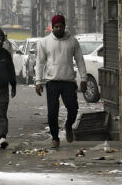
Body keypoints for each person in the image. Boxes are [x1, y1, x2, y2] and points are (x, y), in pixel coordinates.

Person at [35, 14, 87, 148]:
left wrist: (84, 78)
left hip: (68, 81)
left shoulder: (73, 41)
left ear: (65, 27)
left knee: (73, 108)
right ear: (52, 28)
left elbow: (80, 60)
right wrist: (38, 81)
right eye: (56, 27)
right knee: (52, 111)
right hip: (52, 81)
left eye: (61, 26)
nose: (58, 29)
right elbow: (40, 63)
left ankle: (68, 126)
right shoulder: (44, 42)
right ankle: (55, 137)